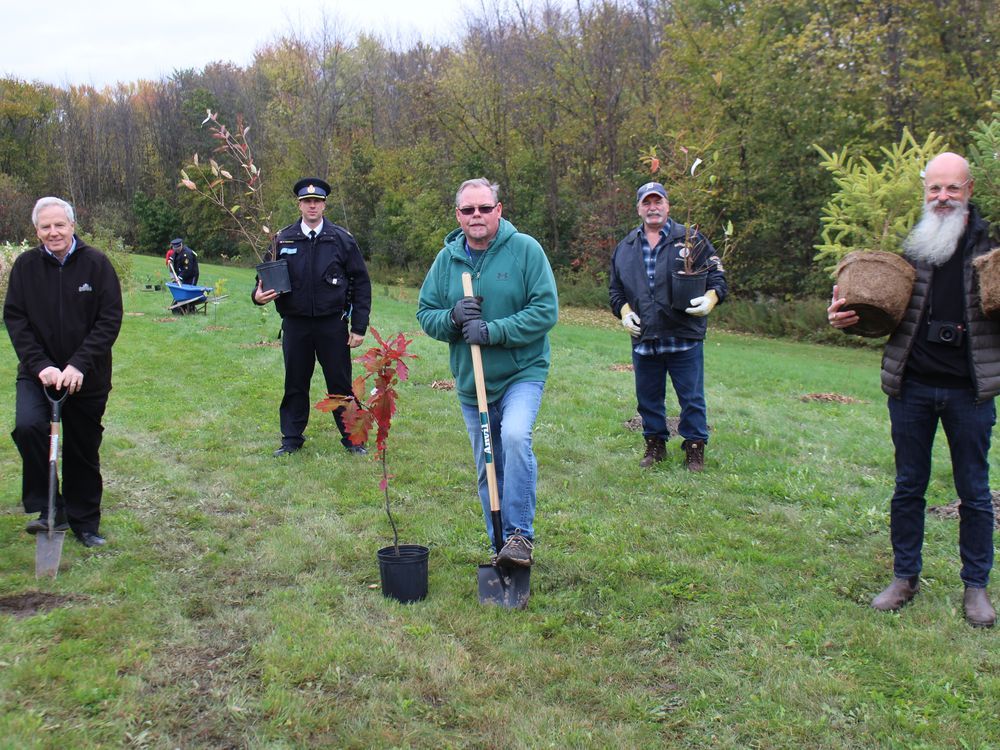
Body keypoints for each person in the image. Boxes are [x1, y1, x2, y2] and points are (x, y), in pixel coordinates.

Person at [828, 152, 997, 628]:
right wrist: (840, 314)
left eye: (952, 189)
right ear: (925, 192)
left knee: (975, 492)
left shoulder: (992, 249)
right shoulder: (913, 247)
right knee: (908, 487)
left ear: (968, 190)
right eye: (934, 189)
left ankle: (976, 587)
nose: (942, 197)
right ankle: (905, 577)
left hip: (970, 392)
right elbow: (873, 309)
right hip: (913, 387)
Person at [417, 178, 558, 567]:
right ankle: (500, 548)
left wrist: (493, 331)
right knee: (488, 465)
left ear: (499, 210)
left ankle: (520, 537)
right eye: (467, 210)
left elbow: (546, 311)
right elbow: (425, 313)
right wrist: (452, 318)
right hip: (471, 382)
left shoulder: (525, 251)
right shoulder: (447, 260)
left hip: (521, 373)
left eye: (483, 208)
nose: (476, 216)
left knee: (514, 438)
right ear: (458, 215)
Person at [4, 197, 123, 547]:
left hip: (87, 375)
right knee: (29, 427)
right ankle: (48, 506)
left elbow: (109, 319)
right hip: (37, 373)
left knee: (82, 447)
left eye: (59, 225)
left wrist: (77, 364)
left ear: (72, 226)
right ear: (37, 231)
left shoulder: (97, 264)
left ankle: (85, 523)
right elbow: (16, 319)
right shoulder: (25, 267)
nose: (53, 232)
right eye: (45, 227)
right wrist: (41, 366)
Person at [609, 181, 727, 471]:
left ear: (667, 206)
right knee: (648, 398)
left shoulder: (691, 240)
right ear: (638, 208)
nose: (653, 208)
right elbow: (615, 292)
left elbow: (718, 279)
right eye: (646, 203)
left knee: (692, 398)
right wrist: (625, 313)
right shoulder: (625, 248)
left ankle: (694, 449)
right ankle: (655, 446)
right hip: (645, 338)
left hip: (683, 336)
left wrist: (710, 300)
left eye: (658, 201)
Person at [252, 177, 372, 457]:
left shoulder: (341, 239)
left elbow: (361, 282)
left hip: (332, 324)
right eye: (307, 202)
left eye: (317, 201)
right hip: (295, 325)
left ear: (324, 205)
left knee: (340, 384)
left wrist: (359, 326)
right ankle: (291, 439)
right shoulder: (282, 238)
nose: (312, 206)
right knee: (295, 382)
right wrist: (257, 297)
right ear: (300, 205)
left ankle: (354, 439)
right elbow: (261, 281)